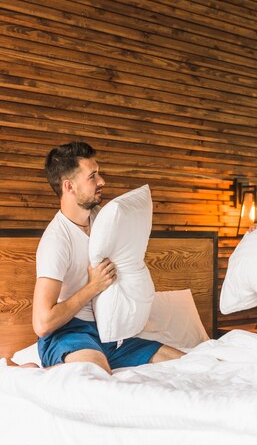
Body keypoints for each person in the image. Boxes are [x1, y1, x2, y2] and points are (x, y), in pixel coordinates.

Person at [32, 141, 183, 373]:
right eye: (92, 176)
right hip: (67, 334)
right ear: (69, 186)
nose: (102, 181)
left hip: (107, 331)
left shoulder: (104, 221)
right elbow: (42, 323)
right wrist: (93, 287)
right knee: (96, 372)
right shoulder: (56, 241)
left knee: (185, 362)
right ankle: (30, 374)